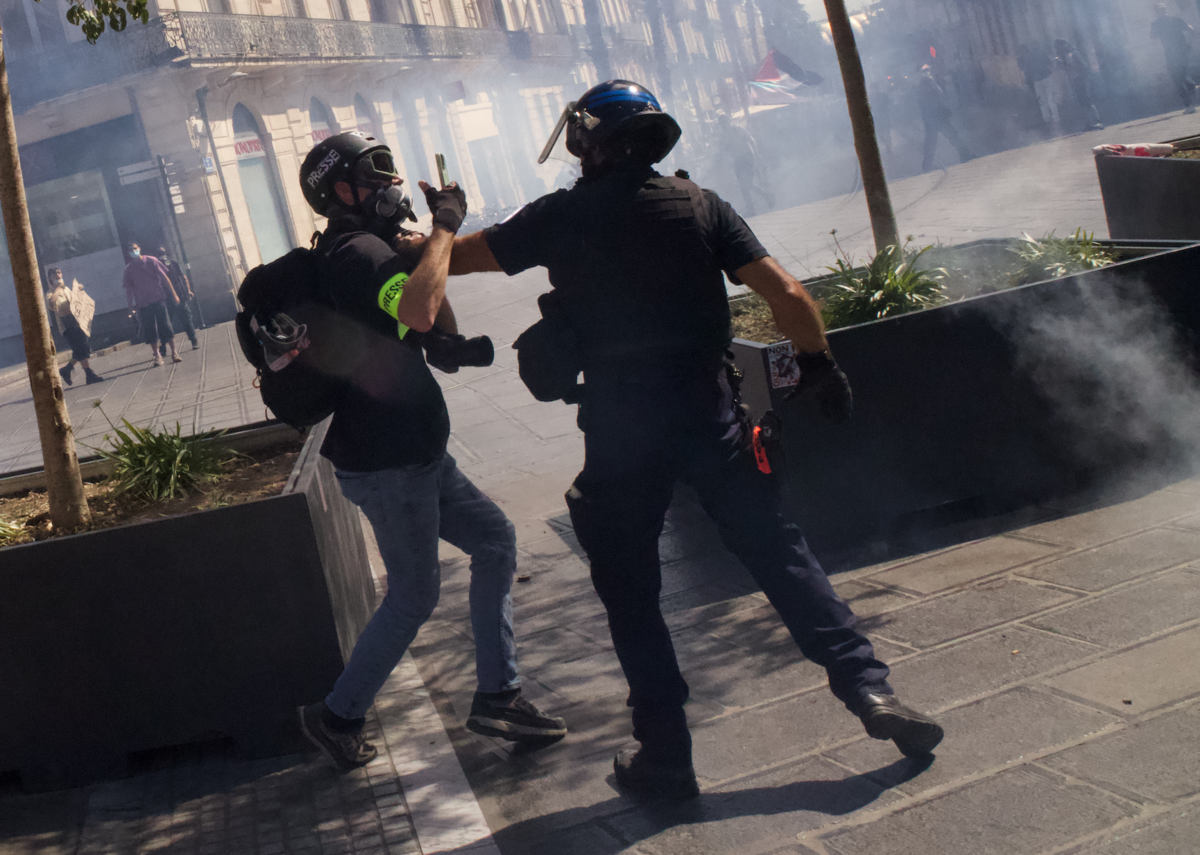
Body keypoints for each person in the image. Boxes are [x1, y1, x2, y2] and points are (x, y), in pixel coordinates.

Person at [447, 80, 944, 798]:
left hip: (620, 427)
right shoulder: (700, 204)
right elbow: (790, 296)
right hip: (710, 413)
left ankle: (666, 753)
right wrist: (819, 365)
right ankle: (869, 687)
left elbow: (460, 260)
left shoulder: (559, 216)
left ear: (589, 139)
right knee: (777, 549)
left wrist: (431, 230)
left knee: (632, 591)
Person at [293, 132, 567, 771]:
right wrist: (446, 226)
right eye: (377, 175)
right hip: (389, 463)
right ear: (341, 191)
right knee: (414, 596)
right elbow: (418, 308)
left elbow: (423, 315)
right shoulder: (355, 253)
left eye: (391, 171)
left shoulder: (375, 249)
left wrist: (438, 307)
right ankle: (336, 717)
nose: (392, 185)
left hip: (413, 454)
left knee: (495, 541)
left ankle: (499, 696)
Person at [122, 242, 180, 367]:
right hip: (143, 303)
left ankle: (174, 352)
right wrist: (130, 306)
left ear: (139, 249)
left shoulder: (151, 261)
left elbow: (165, 277)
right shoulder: (129, 269)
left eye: (135, 248)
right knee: (150, 330)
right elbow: (129, 289)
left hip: (158, 299)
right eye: (130, 250)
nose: (133, 251)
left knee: (166, 326)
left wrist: (174, 294)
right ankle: (157, 355)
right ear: (128, 253)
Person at [46, 267, 104, 386]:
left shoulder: (66, 289)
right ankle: (88, 374)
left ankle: (67, 370)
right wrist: (57, 288)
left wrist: (79, 291)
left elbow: (75, 303)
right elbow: (51, 304)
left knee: (82, 348)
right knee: (81, 348)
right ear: (50, 277)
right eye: (55, 274)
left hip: (76, 321)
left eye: (59, 272)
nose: (58, 275)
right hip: (67, 325)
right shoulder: (50, 293)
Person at [916, 64, 974, 172]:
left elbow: (939, 94)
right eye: (925, 71)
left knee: (949, 136)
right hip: (934, 116)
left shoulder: (930, 82)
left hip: (936, 116)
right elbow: (932, 99)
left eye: (928, 69)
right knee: (939, 139)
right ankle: (927, 166)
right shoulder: (924, 84)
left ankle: (964, 154)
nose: (928, 72)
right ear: (921, 73)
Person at [716, 113, 774, 217]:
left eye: (725, 121)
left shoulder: (737, 129)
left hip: (747, 157)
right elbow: (724, 150)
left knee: (746, 183)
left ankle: (763, 198)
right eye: (722, 123)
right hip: (737, 160)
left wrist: (756, 154)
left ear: (728, 121)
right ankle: (759, 201)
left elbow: (751, 140)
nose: (724, 124)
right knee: (744, 186)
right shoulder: (724, 136)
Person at [1151, 3, 1197, 115]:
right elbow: (1190, 29)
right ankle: (1191, 85)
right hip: (1182, 52)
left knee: (1177, 80)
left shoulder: (1156, 23)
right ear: (1165, 10)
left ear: (1157, 12)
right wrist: (1188, 45)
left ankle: (1189, 105)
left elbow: (1152, 36)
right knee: (1182, 75)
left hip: (1171, 54)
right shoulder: (1176, 20)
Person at [1054, 40, 1103, 131]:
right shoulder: (1062, 57)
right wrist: (1060, 63)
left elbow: (1083, 66)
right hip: (1074, 81)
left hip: (1081, 79)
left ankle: (1097, 122)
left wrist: (1083, 77)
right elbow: (1062, 68)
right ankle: (1088, 123)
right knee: (1081, 103)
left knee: (1087, 101)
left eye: (1058, 46)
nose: (1058, 49)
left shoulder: (1073, 53)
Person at [157, 247, 199, 351]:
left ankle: (192, 340)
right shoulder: (162, 266)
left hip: (175, 297)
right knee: (167, 322)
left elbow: (183, 277)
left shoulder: (170, 264)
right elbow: (183, 277)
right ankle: (164, 345)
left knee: (169, 322)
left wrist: (187, 290)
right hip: (169, 297)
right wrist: (187, 291)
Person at [1017, 43, 1060, 128]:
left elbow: (1027, 70)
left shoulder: (1029, 58)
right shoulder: (1042, 53)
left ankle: (1047, 119)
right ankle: (1056, 119)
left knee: (1042, 101)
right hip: (1046, 78)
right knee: (1050, 99)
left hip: (1037, 81)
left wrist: (1027, 81)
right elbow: (1050, 63)